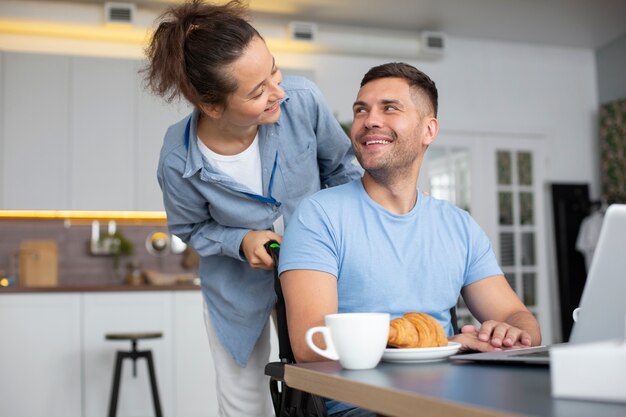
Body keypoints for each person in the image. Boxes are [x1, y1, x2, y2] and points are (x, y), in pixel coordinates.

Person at [278, 62, 541, 417]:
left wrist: (507, 333)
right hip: (365, 408)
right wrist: (441, 344)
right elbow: (313, 344)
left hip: (457, 401)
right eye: (361, 110)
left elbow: (519, 317)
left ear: (428, 129)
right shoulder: (318, 216)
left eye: (389, 107)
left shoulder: (459, 225)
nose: (369, 120)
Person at [143, 1, 362, 416]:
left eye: (273, 70)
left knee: (330, 392)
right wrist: (241, 240)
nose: (278, 91)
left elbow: (341, 171)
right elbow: (190, 227)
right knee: (244, 404)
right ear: (211, 105)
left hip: (317, 275)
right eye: (257, 91)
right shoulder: (178, 158)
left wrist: (340, 243)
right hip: (235, 289)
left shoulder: (301, 101)